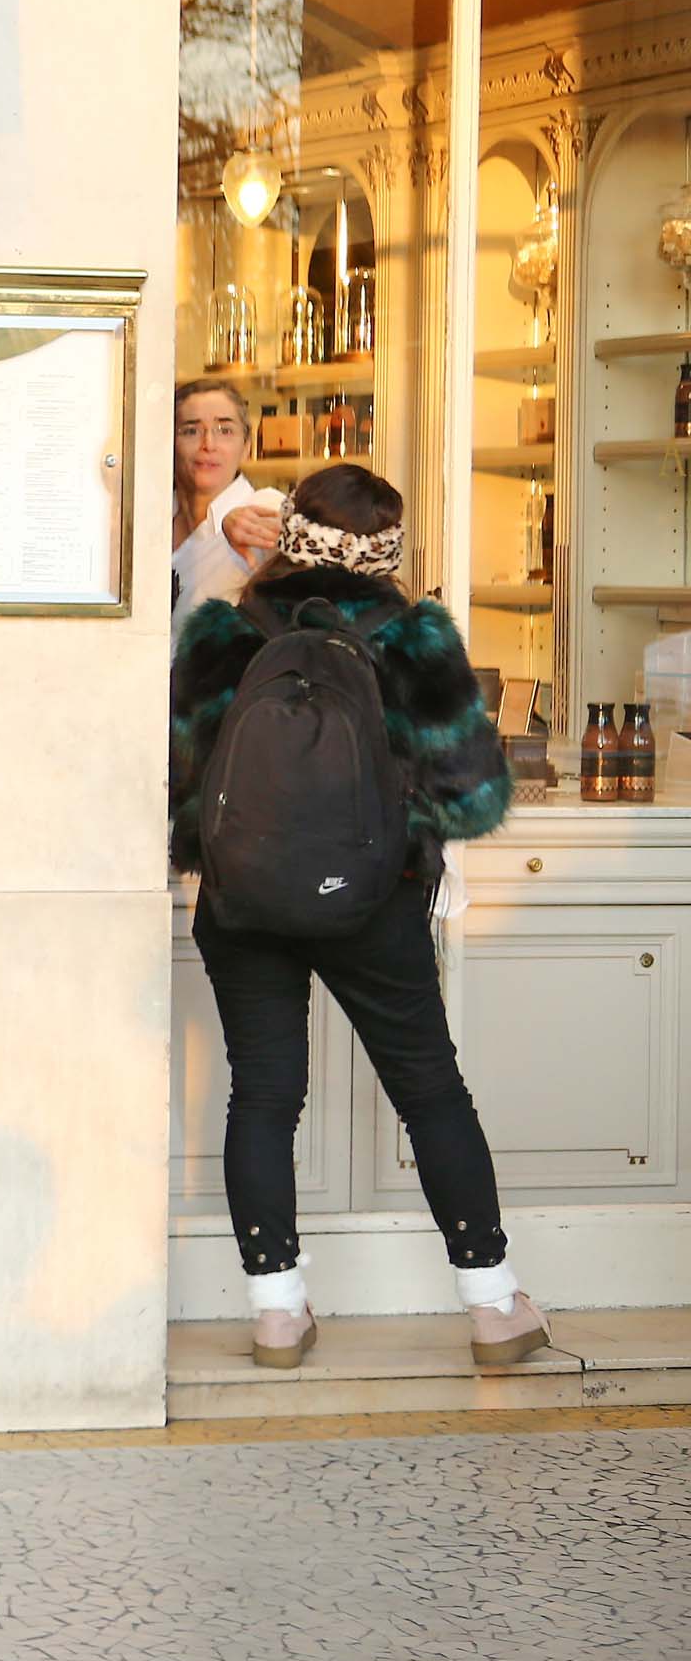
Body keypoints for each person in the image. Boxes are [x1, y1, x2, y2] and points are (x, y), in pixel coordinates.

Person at [169, 464, 536, 1371]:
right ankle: (493, 1306)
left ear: (292, 536)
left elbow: (182, 787)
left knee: (262, 1093)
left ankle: (277, 1311)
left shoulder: (226, 628)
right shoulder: (413, 637)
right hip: (374, 902)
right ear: (386, 552)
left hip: (243, 902)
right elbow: (474, 792)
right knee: (429, 1090)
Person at [170, 379, 282, 629]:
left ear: (247, 447)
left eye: (225, 430)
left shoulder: (265, 507)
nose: (208, 444)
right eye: (191, 430)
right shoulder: (148, 521)